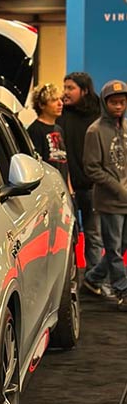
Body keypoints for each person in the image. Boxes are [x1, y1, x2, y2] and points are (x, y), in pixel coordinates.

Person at [83, 79, 127, 311]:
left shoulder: (126, 127)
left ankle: (92, 279)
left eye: (122, 102)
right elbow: (91, 167)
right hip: (109, 201)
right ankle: (123, 289)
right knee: (114, 249)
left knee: (122, 245)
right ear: (105, 103)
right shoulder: (95, 131)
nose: (118, 107)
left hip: (125, 200)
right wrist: (118, 188)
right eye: (114, 102)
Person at [59, 72, 106, 285]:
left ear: (84, 90)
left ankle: (94, 282)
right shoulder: (60, 115)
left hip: (93, 187)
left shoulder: (99, 114)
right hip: (68, 188)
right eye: (65, 87)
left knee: (94, 236)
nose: (65, 93)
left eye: (70, 88)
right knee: (69, 237)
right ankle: (71, 283)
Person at [27, 83, 72, 191]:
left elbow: (64, 162)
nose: (60, 103)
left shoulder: (59, 129)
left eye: (60, 99)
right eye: (54, 100)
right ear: (42, 105)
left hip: (62, 189)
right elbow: (36, 165)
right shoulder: (35, 130)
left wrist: (70, 190)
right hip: (48, 190)